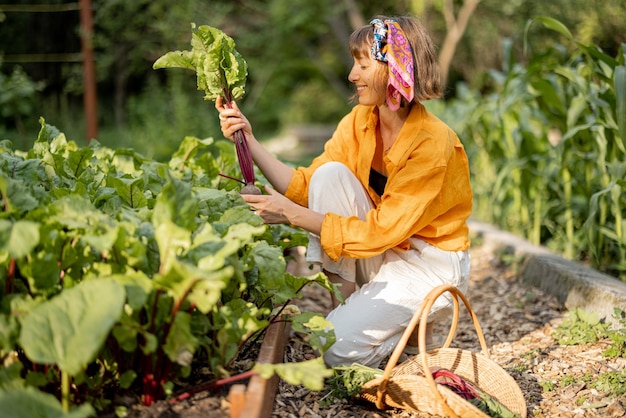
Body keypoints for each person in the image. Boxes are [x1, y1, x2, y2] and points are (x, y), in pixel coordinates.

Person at [216, 15, 472, 369]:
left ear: (396, 69)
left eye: (364, 64)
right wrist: (248, 137)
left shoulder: (432, 143)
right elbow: (304, 186)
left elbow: (381, 230)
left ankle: (413, 334)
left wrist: (288, 214)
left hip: (427, 264)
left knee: (333, 350)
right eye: (355, 63)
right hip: (385, 250)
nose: (353, 75)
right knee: (329, 175)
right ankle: (350, 311)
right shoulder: (360, 121)